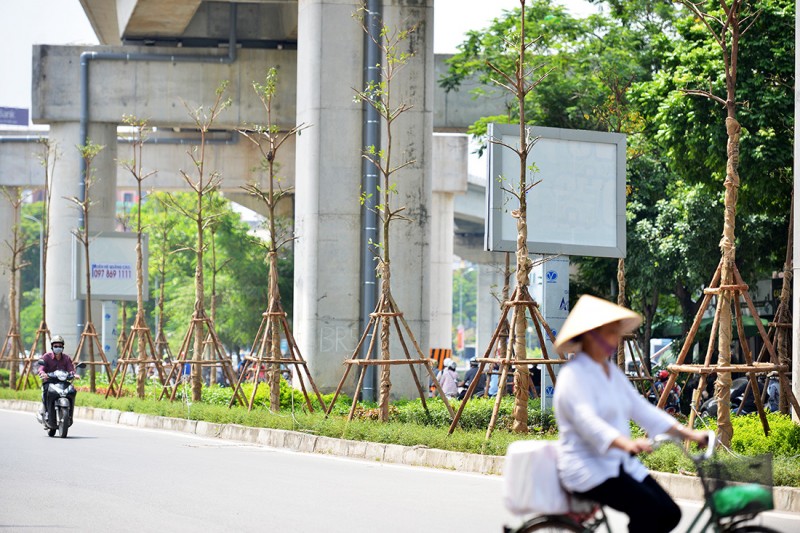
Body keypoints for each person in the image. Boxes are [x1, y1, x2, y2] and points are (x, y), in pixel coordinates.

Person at [553, 295, 708, 533]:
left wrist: (689, 433)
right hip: (588, 468)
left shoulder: (610, 372)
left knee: (669, 514)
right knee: (647, 510)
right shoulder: (573, 376)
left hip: (618, 464)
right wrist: (625, 443)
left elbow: (642, 409)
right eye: (609, 333)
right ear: (590, 335)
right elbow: (588, 422)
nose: (616, 339)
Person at [37, 335, 76, 426]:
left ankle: (70, 415)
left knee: (72, 391)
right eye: (55, 346)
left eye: (60, 346)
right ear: (52, 347)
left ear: (63, 347)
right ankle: (47, 412)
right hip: (50, 382)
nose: (58, 348)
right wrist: (42, 373)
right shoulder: (47, 357)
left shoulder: (66, 358)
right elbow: (41, 368)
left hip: (63, 382)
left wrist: (74, 374)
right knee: (46, 391)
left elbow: (71, 370)